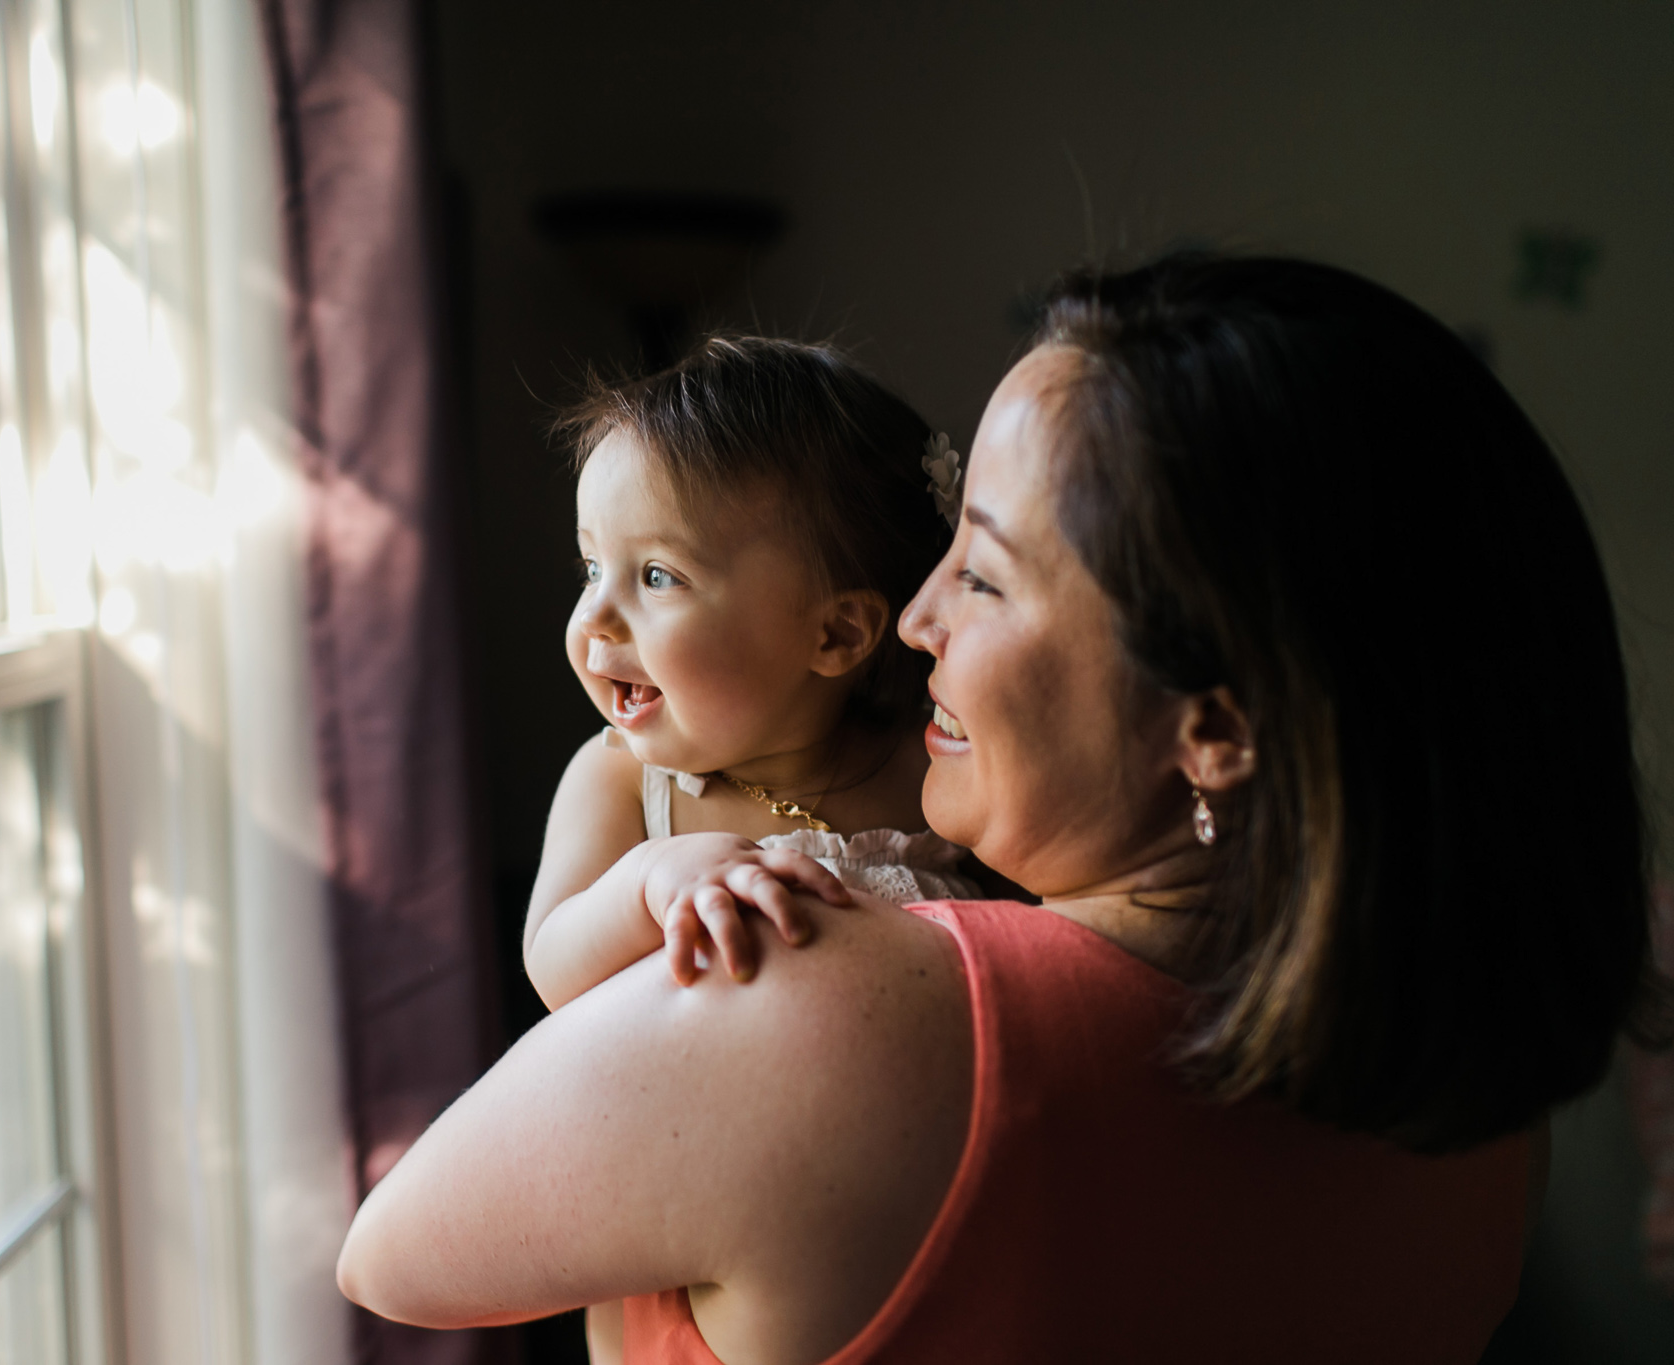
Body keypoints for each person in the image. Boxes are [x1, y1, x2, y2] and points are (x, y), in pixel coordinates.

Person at [337, 255, 1665, 1364]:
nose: (915, 622)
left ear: (1212, 728)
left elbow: (394, 1254)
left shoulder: (825, 1007)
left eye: (980, 575)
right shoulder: (1480, 1123)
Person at [526, 337, 980, 1360]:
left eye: (654, 576)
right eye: (590, 565)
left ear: (834, 637)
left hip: (898, 1224)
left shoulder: (924, 776)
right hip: (683, 1249)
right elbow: (552, 963)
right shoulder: (623, 785)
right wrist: (651, 882)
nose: (595, 617)